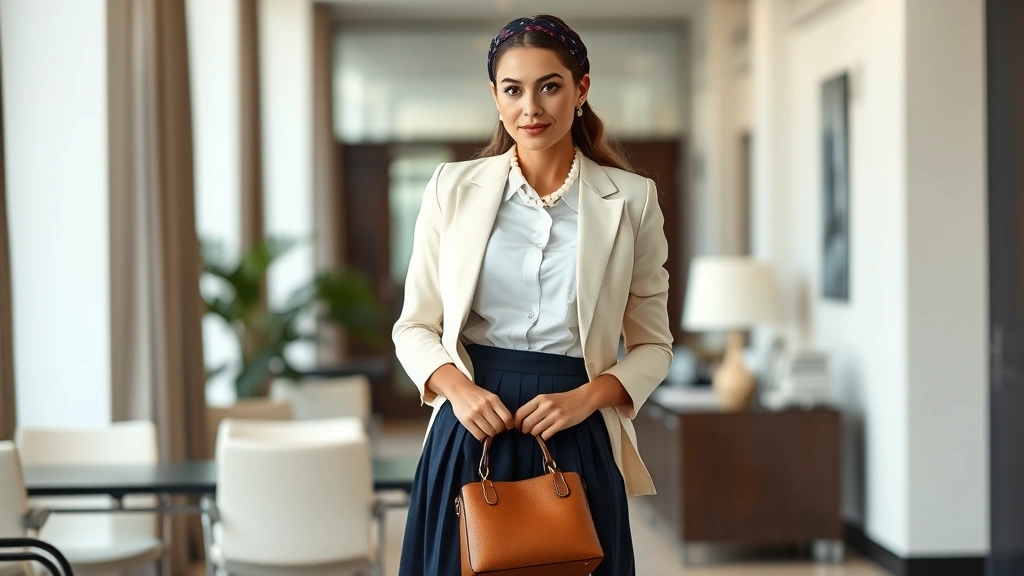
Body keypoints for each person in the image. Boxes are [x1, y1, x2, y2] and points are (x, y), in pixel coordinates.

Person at [393, 14, 673, 576]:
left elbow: (654, 347)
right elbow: (414, 327)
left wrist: (586, 399)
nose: (531, 108)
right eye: (513, 90)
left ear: (581, 88)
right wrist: (458, 392)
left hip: (575, 431)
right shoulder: (451, 188)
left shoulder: (632, 201)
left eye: (549, 86)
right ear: (495, 97)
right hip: (469, 427)